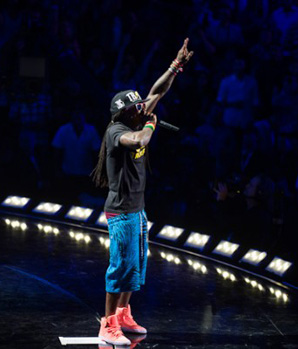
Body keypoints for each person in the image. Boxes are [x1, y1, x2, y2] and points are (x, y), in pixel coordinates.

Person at [91, 39, 193, 346]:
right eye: (137, 108)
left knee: (135, 266)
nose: (142, 108)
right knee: (120, 266)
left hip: (137, 207)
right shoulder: (117, 131)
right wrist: (150, 126)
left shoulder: (134, 117)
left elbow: (156, 92)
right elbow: (139, 142)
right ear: (125, 113)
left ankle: (123, 313)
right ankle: (108, 324)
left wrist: (176, 66)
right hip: (121, 211)